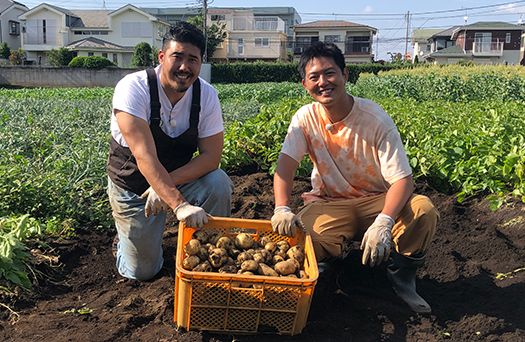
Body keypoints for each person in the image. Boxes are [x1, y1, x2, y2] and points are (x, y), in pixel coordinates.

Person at [271, 42, 439, 314]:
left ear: (345, 75)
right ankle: (328, 263)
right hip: (330, 202)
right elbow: (285, 166)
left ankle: (402, 277)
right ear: (305, 84)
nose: (323, 82)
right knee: (302, 236)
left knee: (422, 211)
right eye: (314, 77)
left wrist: (384, 221)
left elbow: (403, 180)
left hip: (378, 200)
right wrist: (281, 207)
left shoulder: (374, 118)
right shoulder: (305, 118)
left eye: (330, 73)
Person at [106, 21, 233, 281]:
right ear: (162, 57)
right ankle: (124, 242)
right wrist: (180, 205)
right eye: (177, 57)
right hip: (134, 188)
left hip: (178, 180)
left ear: (200, 63)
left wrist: (167, 187)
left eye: (193, 59)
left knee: (218, 183)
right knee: (143, 272)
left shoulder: (206, 96)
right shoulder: (133, 89)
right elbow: (145, 156)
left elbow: (211, 157)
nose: (185, 67)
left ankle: (209, 252)